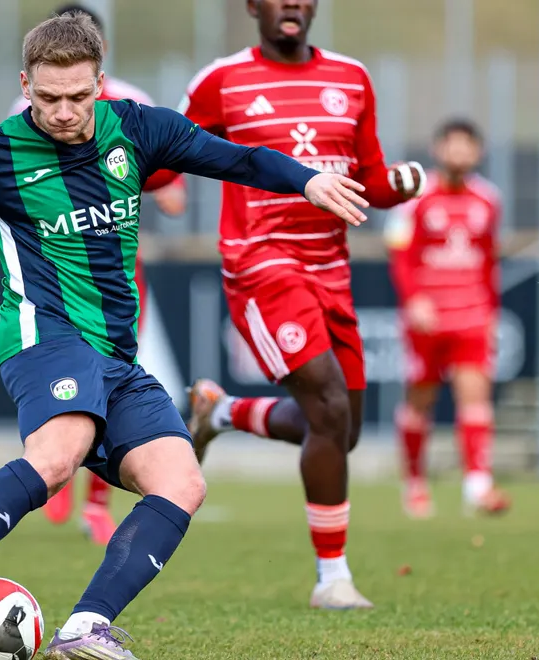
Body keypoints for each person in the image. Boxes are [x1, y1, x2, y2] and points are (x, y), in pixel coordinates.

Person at [0, 11, 372, 659]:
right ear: (26, 85)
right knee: (57, 457)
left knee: (182, 482)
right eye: (48, 98)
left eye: (79, 96)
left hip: (117, 356)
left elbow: (234, 157)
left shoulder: (138, 129)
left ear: (100, 83)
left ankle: (83, 630)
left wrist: (307, 179)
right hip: (42, 335)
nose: (64, 112)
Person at [179, 0, 426, 611]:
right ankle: (331, 578)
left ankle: (222, 411)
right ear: (253, 6)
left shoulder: (352, 77)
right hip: (261, 264)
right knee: (329, 407)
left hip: (331, 271)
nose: (290, 1)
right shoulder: (221, 81)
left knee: (343, 430)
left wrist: (398, 184)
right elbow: (167, 151)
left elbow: (366, 179)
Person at [0, 3, 187, 547]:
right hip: (54, 276)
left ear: (99, 54)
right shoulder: (26, 111)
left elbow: (173, 189)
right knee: (68, 381)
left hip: (118, 274)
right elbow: (3, 172)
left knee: (119, 379)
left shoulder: (133, 105)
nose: (63, 109)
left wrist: (138, 183)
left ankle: (94, 502)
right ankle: (60, 472)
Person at [384, 118, 511, 519]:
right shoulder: (415, 197)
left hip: (472, 313)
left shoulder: (488, 199)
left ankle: (477, 487)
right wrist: (414, 300)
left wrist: (492, 311)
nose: (459, 152)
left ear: (478, 152)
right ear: (437, 150)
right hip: (428, 318)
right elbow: (401, 255)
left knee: (475, 396)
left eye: (466, 146)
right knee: (420, 400)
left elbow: (489, 259)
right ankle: (414, 483)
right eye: (452, 145)